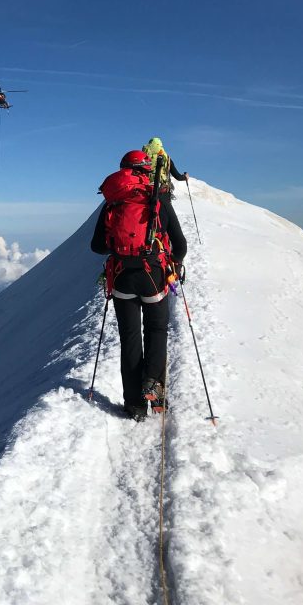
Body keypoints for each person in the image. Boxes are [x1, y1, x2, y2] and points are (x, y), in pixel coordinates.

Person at [91, 150, 187, 420]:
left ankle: (134, 405)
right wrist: (174, 265)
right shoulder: (158, 200)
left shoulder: (113, 203)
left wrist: (119, 247)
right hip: (153, 276)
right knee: (157, 330)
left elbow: (96, 246)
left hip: (122, 277)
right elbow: (180, 244)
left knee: (130, 339)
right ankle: (154, 386)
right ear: (145, 171)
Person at [142, 137, 188, 204]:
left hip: (145, 191)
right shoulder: (166, 157)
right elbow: (178, 176)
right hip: (161, 191)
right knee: (168, 214)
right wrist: (185, 177)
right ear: (160, 145)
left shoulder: (143, 157)